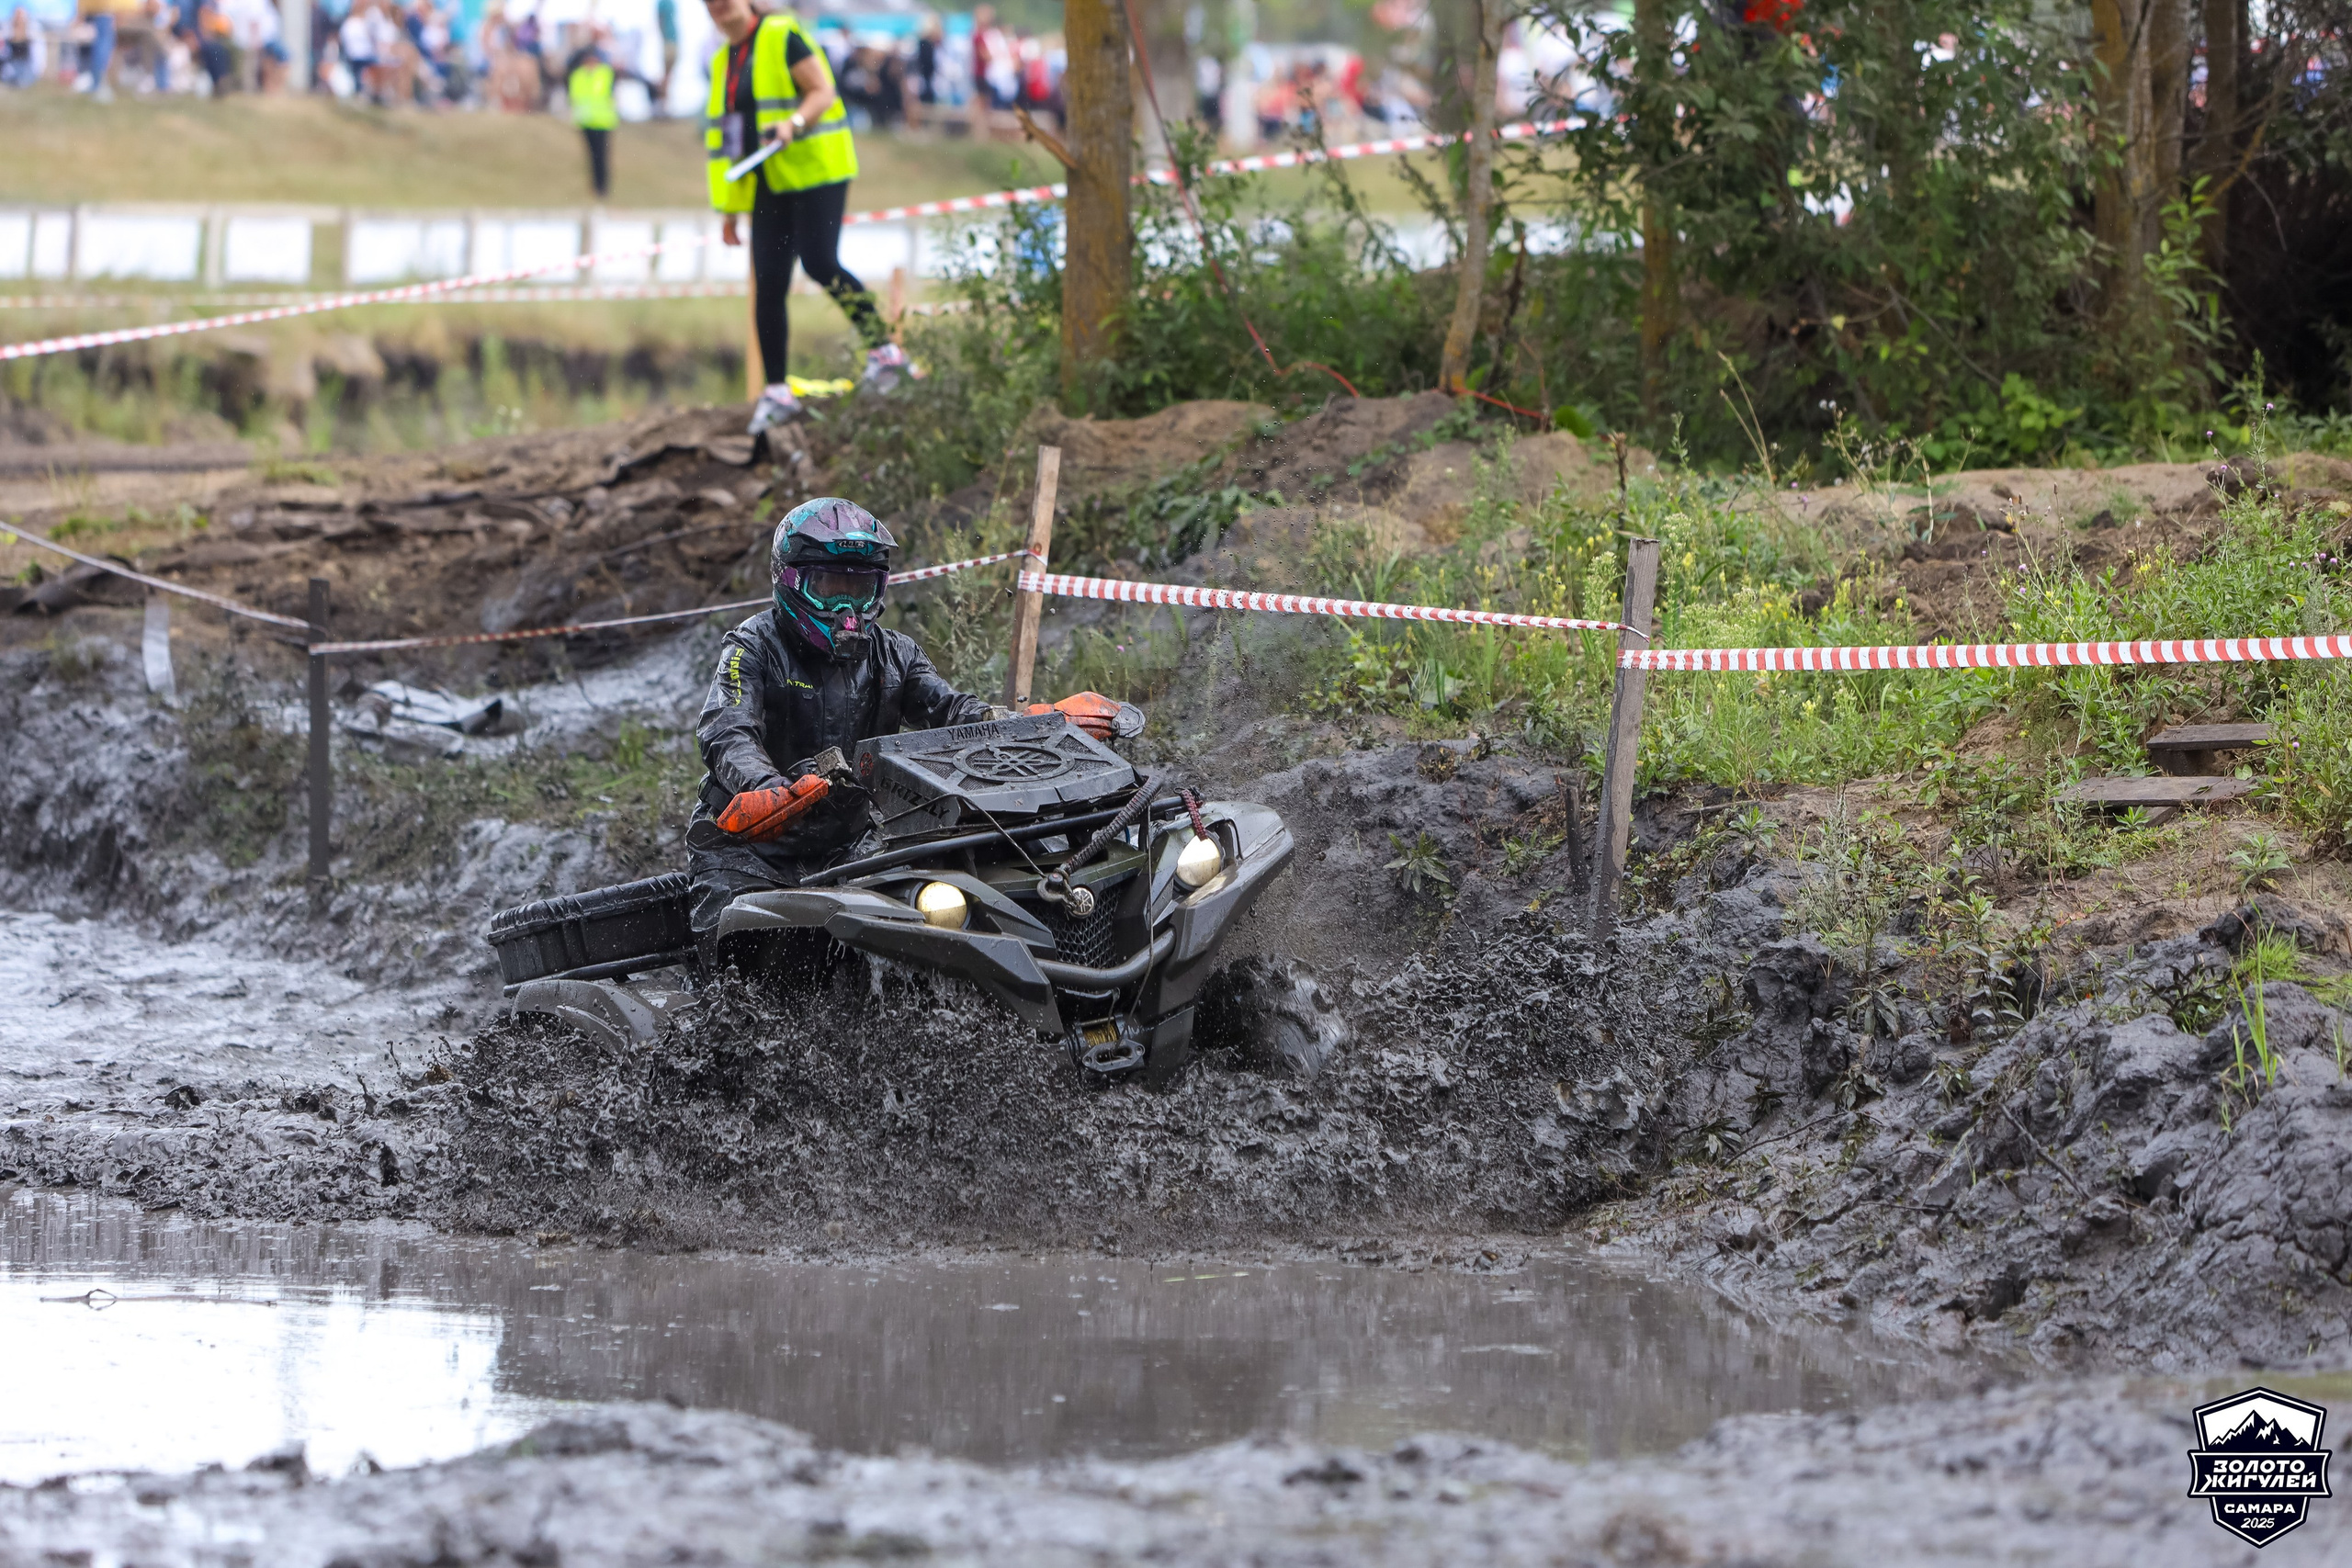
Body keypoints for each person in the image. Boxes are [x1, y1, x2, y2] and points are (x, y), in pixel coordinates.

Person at [686, 499, 1128, 943]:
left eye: (860, 590)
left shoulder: (895, 654)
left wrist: (1032, 724)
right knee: (735, 959)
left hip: (853, 844)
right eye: (829, 587)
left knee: (924, 931)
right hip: (748, 847)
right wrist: (762, 787)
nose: (848, 610)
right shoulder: (752, 646)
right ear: (790, 580)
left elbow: (954, 712)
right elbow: (728, 729)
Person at [702, 0, 908, 435]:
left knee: (819, 262)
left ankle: (887, 356)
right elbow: (728, 142)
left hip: (818, 171)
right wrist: (728, 209)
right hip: (770, 180)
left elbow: (823, 90)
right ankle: (776, 393)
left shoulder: (781, 34)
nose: (717, 4)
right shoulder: (723, 60)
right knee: (769, 279)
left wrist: (793, 123)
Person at [566, 24, 644, 198]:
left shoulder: (606, 73)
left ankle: (603, 189)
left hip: (603, 121)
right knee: (591, 158)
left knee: (602, 157)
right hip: (585, 122)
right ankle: (594, 188)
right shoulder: (578, 76)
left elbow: (621, 70)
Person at [652, 0, 675, 114]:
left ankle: (663, 105)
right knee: (666, 75)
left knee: (668, 75)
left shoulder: (669, 2)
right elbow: (659, 20)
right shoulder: (662, 3)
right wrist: (664, 38)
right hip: (669, 42)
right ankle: (660, 104)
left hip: (673, 40)